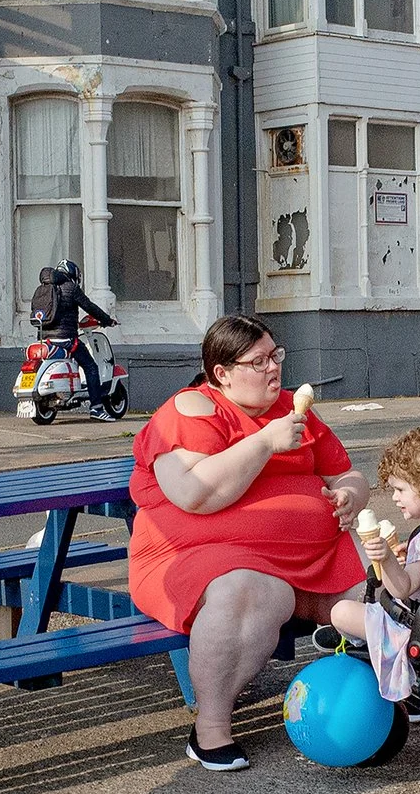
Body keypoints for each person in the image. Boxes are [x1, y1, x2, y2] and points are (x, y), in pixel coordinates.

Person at [129, 316, 370, 770]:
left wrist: (350, 495)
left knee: (385, 590)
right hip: (200, 558)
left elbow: (348, 472)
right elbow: (194, 494)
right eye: (257, 362)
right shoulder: (191, 410)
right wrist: (263, 443)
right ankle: (211, 729)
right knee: (251, 593)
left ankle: (409, 689)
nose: (273, 369)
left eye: (275, 356)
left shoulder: (293, 409)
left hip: (312, 557)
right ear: (222, 373)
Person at [331, 427, 420, 708]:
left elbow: (403, 587)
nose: (395, 498)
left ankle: (383, 663)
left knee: (341, 612)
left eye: (400, 490)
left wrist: (385, 559)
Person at [33, 261, 120, 414]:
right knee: (91, 367)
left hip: (45, 340)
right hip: (66, 339)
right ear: (72, 274)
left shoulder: (43, 289)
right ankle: (97, 408)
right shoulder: (71, 288)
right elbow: (89, 306)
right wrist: (108, 320)